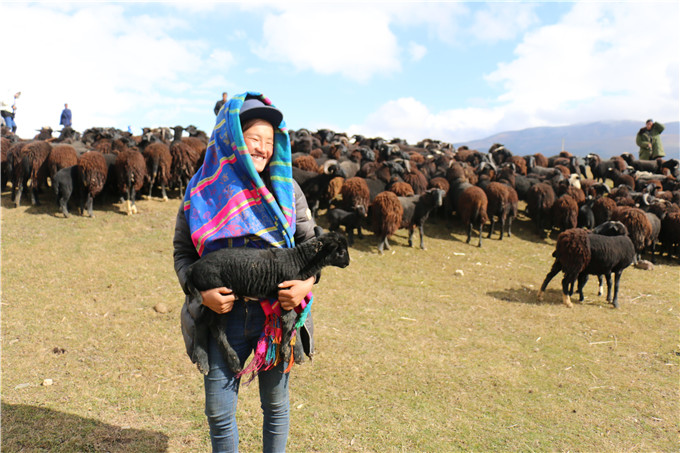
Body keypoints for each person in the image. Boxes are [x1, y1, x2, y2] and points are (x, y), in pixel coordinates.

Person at [174, 92, 317, 453]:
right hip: (222, 317)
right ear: (234, 139)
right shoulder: (202, 191)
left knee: (276, 406)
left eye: (270, 141)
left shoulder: (287, 189)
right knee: (219, 412)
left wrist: (305, 284)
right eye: (254, 138)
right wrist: (200, 294)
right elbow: (184, 254)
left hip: (277, 314)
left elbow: (312, 247)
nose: (263, 148)